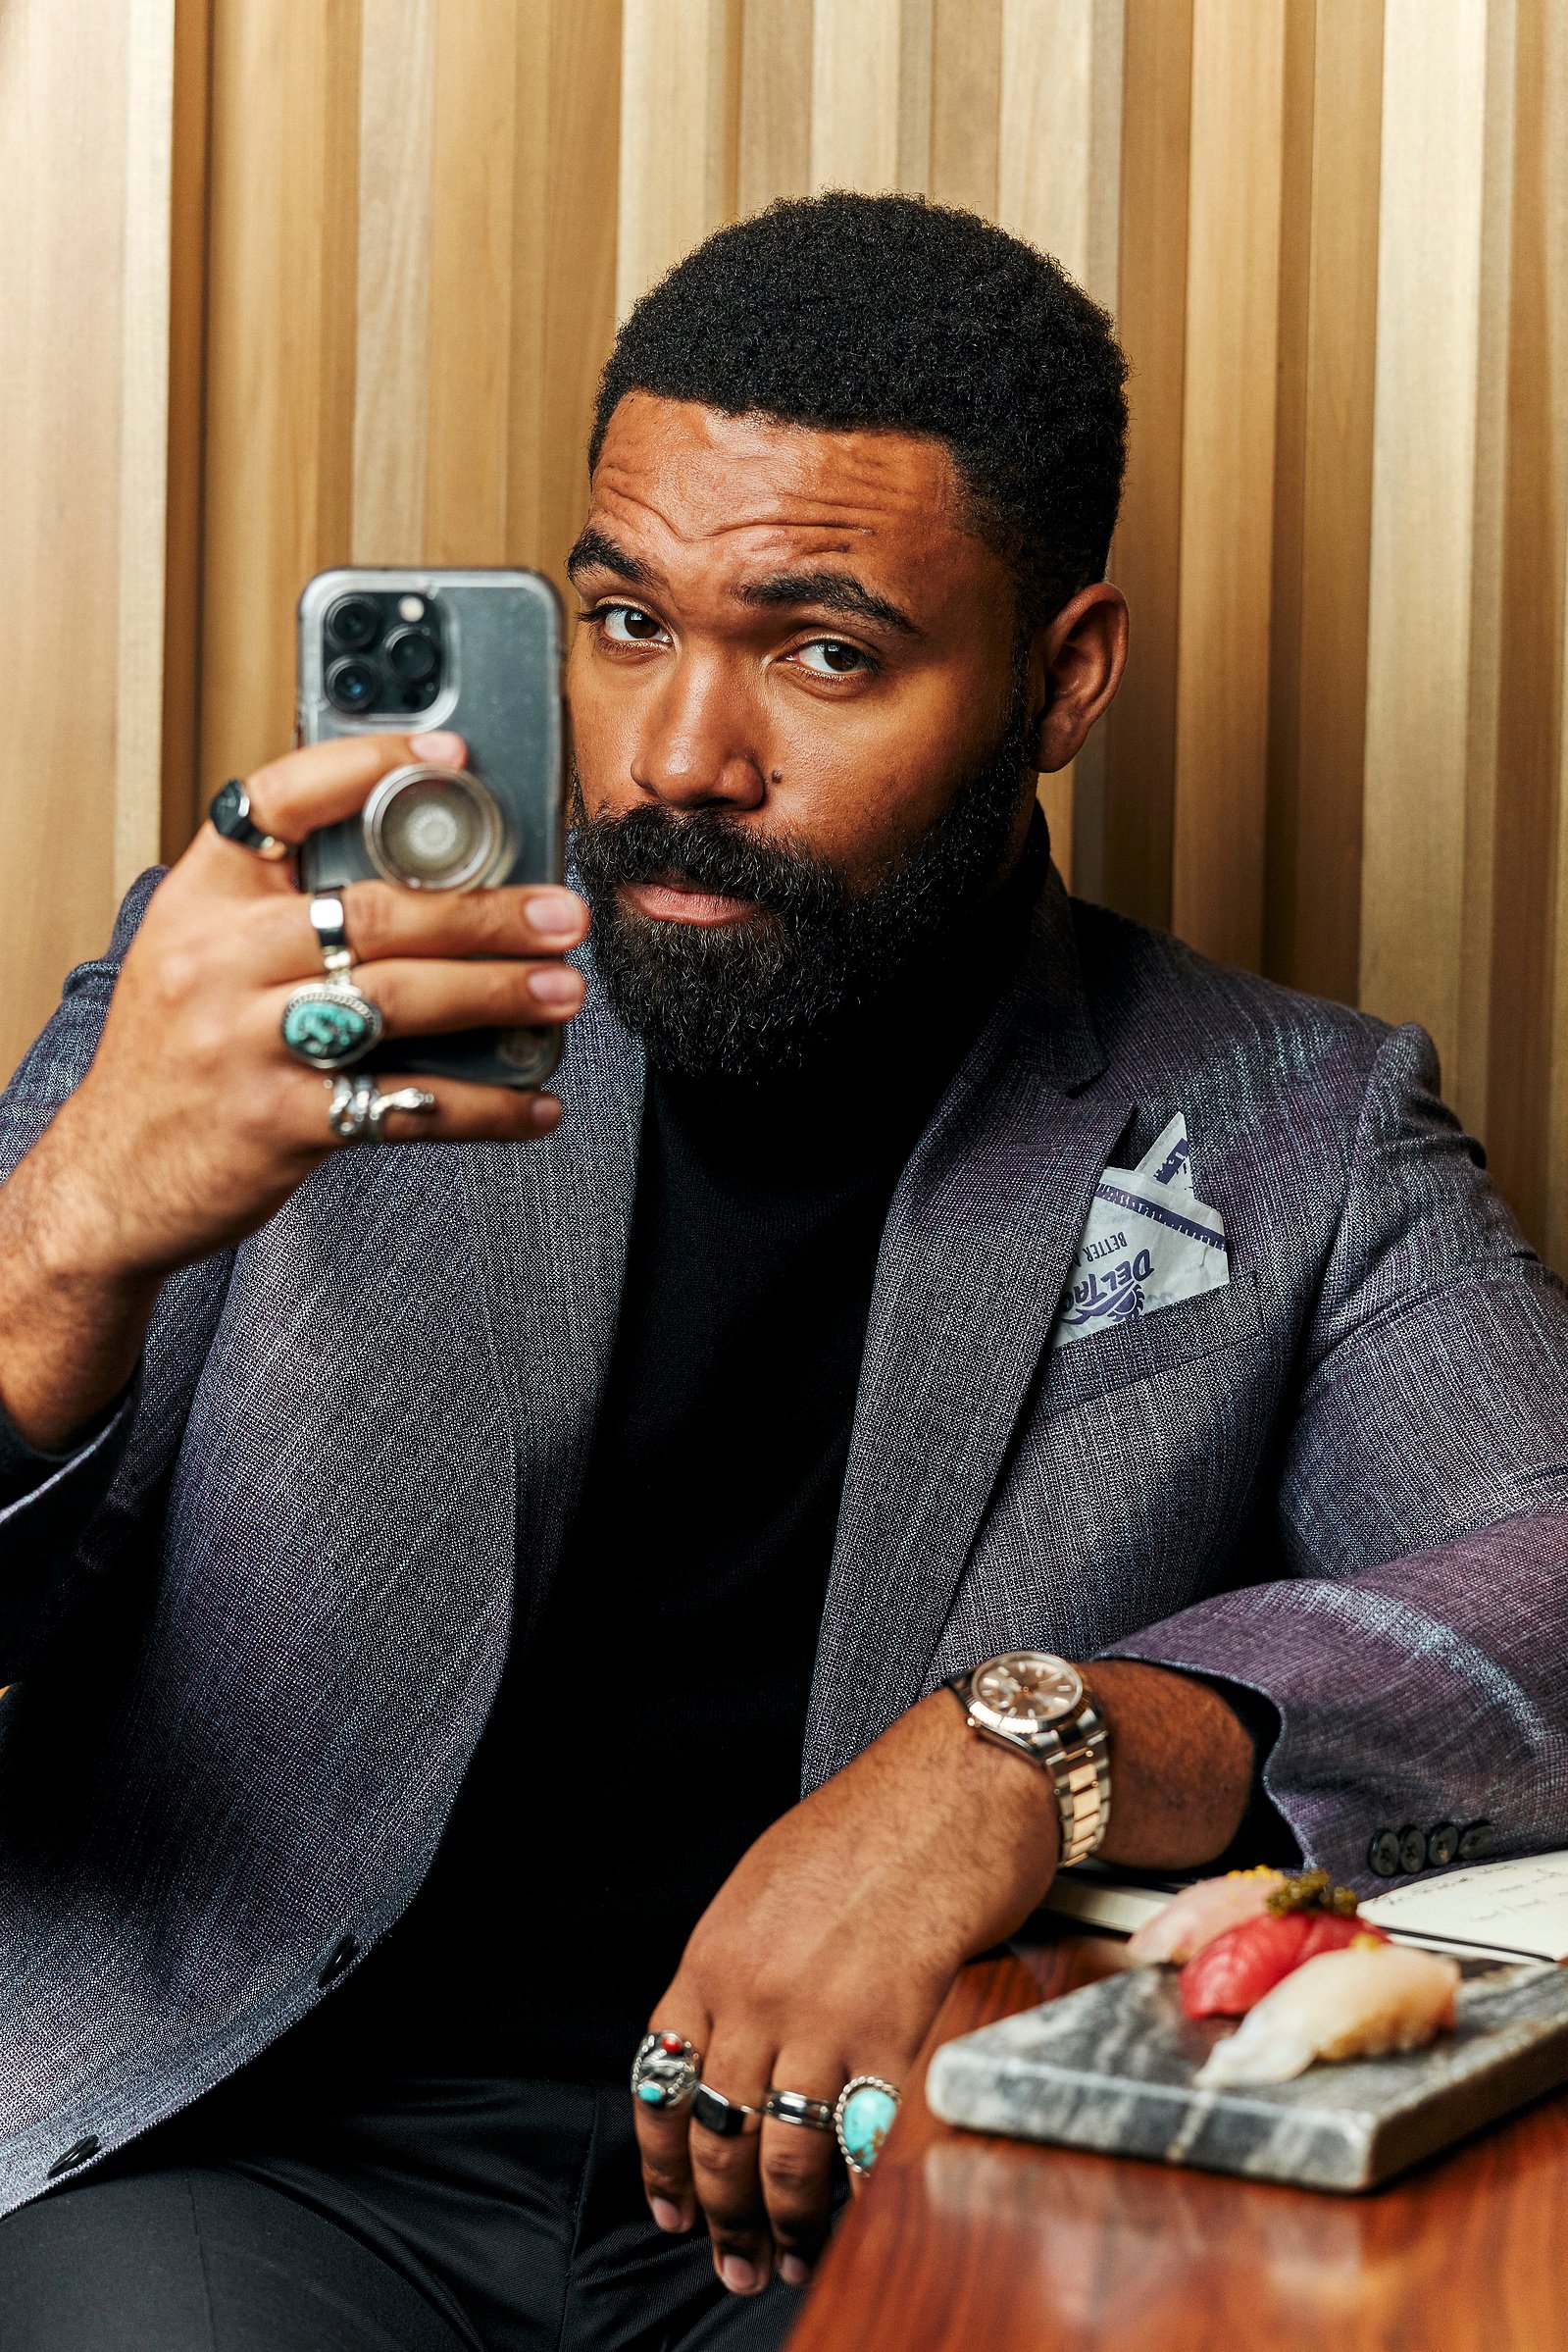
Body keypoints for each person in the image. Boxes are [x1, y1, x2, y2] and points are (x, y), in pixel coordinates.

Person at [1, 191, 1564, 2352]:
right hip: (248, 2143)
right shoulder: (269, 1002)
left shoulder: (1293, 1124)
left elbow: (1548, 1579)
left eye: (823, 654)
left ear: (1062, 676)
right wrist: (64, 1238)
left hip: (862, 2193)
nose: (675, 759)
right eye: (625, 621)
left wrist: (1022, 1753)